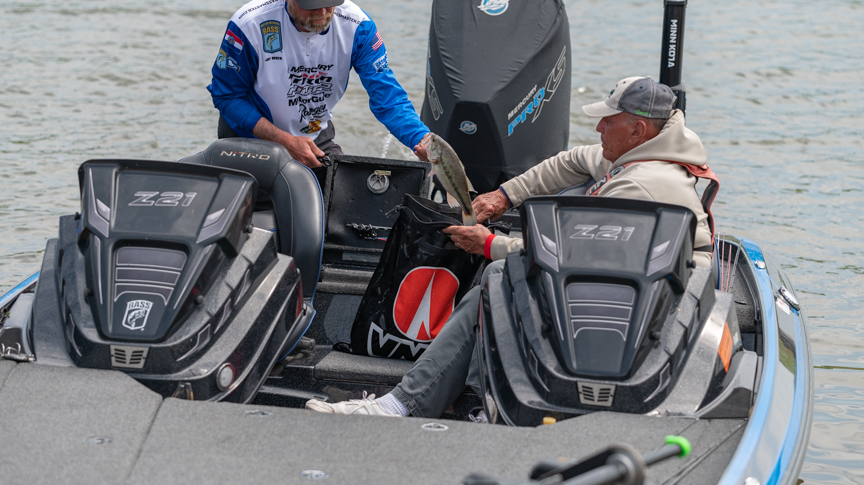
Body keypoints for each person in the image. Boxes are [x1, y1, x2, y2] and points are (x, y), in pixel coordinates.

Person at [306, 75, 718, 418]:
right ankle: (476, 402)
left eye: (607, 122)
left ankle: (405, 404)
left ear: (637, 130)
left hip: (656, 302)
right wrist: (505, 195)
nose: (599, 129)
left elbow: (570, 256)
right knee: (500, 275)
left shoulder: (640, 185)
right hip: (632, 277)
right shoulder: (641, 154)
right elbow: (573, 161)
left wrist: (490, 244)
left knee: (499, 277)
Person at [207, 0, 430, 167]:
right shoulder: (248, 24)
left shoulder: (359, 27)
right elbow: (227, 96)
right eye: (311, 4)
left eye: (327, 0)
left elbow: (387, 97)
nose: (322, 13)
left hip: (313, 135)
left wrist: (421, 139)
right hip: (248, 137)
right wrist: (285, 141)